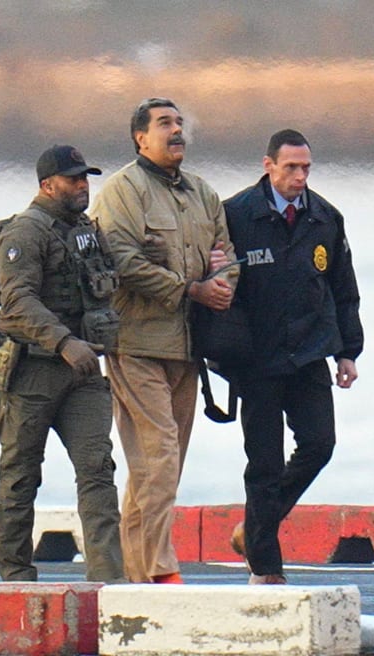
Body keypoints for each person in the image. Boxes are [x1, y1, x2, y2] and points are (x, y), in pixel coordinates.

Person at [89, 98, 238, 584]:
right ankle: (158, 572)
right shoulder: (121, 192)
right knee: (158, 456)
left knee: (163, 466)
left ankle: (134, 571)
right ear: (140, 138)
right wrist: (188, 288)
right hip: (136, 344)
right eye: (164, 124)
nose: (177, 132)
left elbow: (227, 254)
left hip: (187, 347)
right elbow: (122, 260)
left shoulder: (202, 193)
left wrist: (221, 285)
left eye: (179, 123)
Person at [223, 129, 364, 584]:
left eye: (306, 168)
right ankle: (266, 569)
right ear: (269, 166)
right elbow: (223, 290)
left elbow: (343, 290)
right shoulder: (236, 215)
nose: (300, 177)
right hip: (258, 360)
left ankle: (256, 528)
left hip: (310, 354)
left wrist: (348, 351)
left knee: (320, 445)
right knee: (263, 464)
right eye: (291, 168)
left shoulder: (325, 217)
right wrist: (224, 354)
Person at [0, 144, 125, 583]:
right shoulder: (25, 232)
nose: (83, 185)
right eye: (73, 179)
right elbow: (17, 300)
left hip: (82, 374)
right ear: (48, 185)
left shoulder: (85, 229)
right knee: (20, 475)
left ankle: (107, 580)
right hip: (33, 372)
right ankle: (15, 578)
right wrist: (65, 342)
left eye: (85, 178)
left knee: (98, 470)